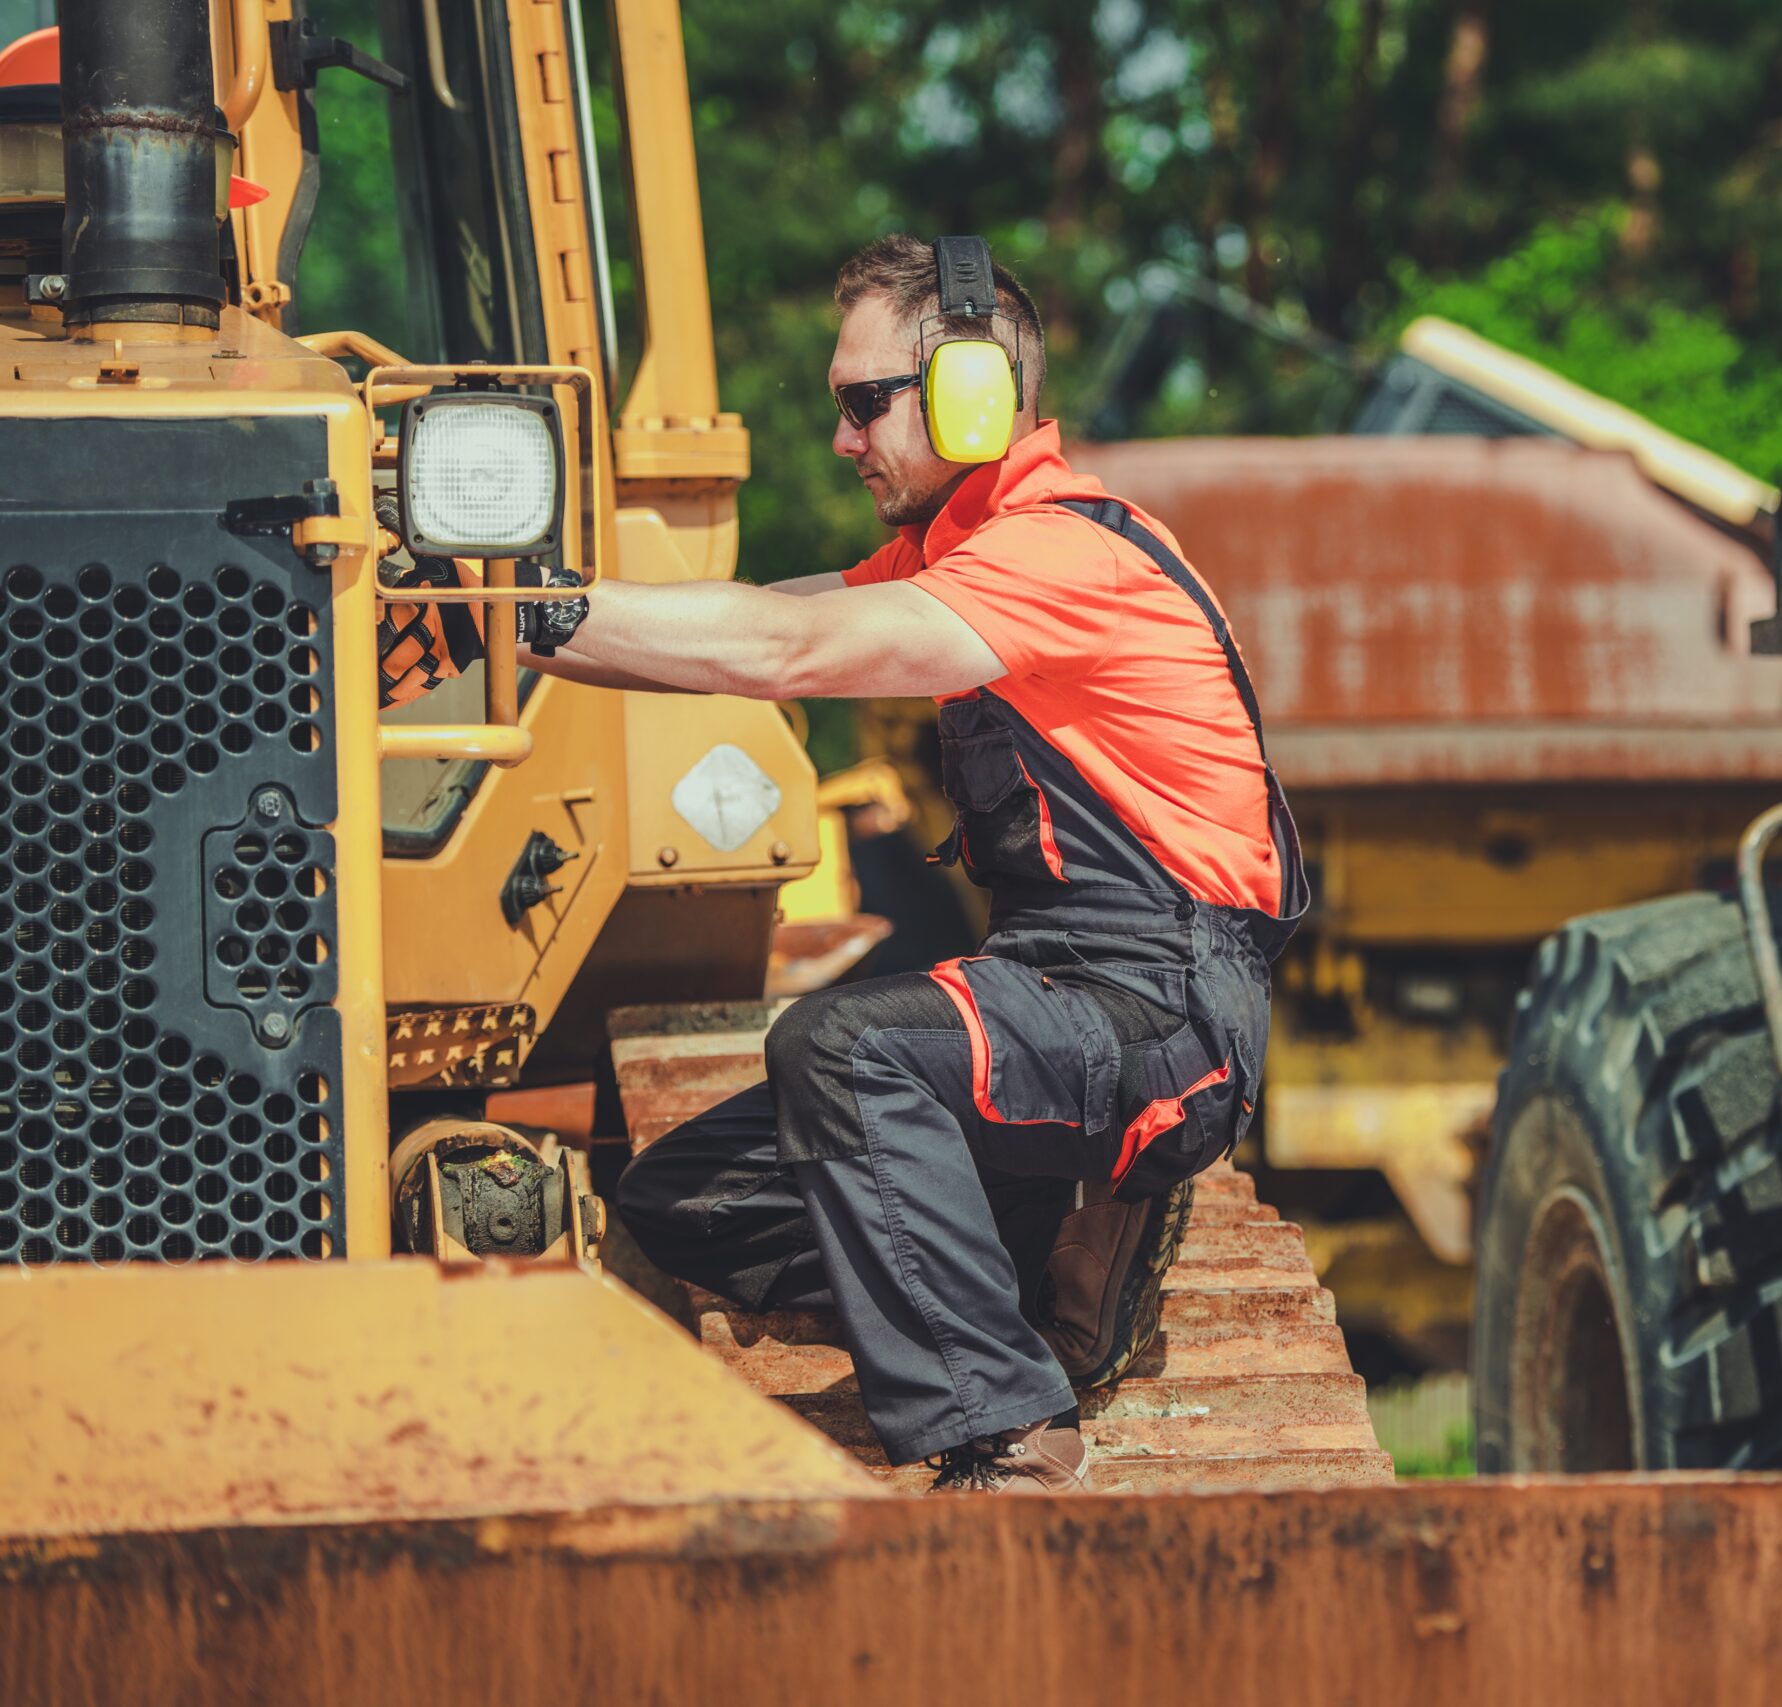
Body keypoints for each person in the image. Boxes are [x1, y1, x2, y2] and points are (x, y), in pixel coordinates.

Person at [502, 234, 1306, 1492]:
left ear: (971, 391)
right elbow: (754, 620)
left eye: (862, 403)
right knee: (682, 1199)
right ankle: (1033, 1273)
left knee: (842, 1048)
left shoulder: (1061, 554)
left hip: (1157, 1015)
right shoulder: (960, 554)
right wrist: (489, 619)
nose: (842, 439)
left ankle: (1012, 1430)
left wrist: (525, 609)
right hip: (1059, 997)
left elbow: (786, 650)